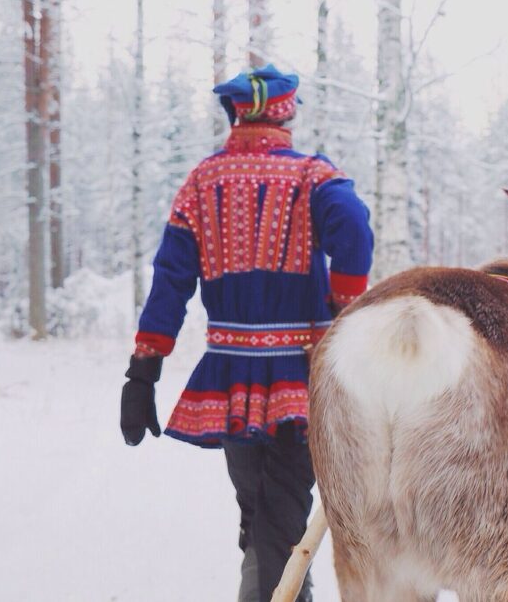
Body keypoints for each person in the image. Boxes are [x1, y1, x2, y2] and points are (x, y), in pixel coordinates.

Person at [120, 64, 373, 602]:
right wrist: (344, 310)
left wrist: (144, 370)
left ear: (234, 114)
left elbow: (171, 279)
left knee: (264, 515)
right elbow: (352, 225)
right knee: (276, 516)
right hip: (301, 376)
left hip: (231, 377)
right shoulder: (312, 176)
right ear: (285, 114)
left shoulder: (202, 181)